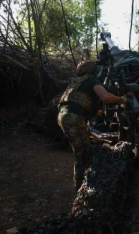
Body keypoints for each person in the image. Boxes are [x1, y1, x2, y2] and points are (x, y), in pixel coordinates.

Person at [57, 60, 127, 191]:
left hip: (62, 115)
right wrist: (121, 100)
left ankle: (83, 182)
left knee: (84, 146)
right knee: (83, 153)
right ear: (93, 71)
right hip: (73, 117)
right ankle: (81, 187)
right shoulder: (91, 80)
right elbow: (105, 97)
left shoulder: (76, 82)